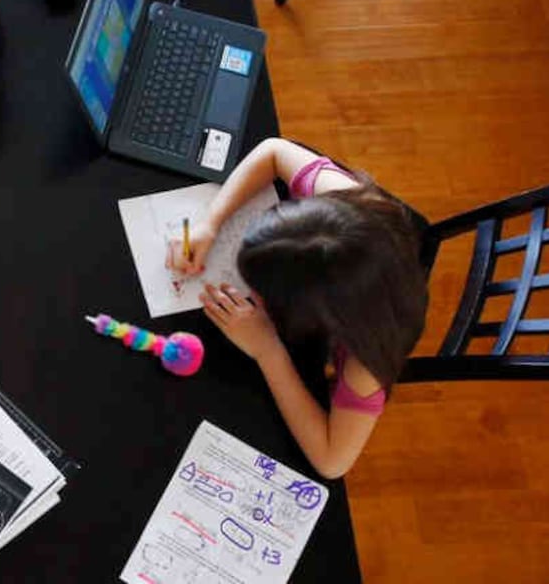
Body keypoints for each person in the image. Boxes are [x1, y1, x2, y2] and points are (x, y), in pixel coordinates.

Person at [168, 137, 427, 478]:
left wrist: (267, 349)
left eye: (261, 293)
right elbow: (274, 151)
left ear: (315, 318)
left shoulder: (366, 362)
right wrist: (211, 223)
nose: (252, 296)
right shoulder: (337, 200)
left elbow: (332, 462)